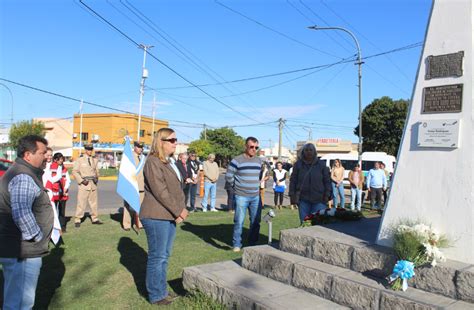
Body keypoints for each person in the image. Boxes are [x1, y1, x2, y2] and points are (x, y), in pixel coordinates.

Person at [0, 135, 54, 309]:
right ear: (28, 155)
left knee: (15, 299)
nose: (46, 156)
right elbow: (22, 213)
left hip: (20, 249)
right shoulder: (23, 176)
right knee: (20, 303)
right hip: (23, 252)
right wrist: (37, 237)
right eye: (42, 152)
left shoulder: (24, 172)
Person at [139, 128, 188, 305]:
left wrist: (180, 208)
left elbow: (175, 189)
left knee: (164, 256)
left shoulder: (167, 162)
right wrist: (179, 211)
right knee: (157, 256)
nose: (176, 143)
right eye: (172, 140)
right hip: (155, 215)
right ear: (161, 142)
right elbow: (161, 192)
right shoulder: (152, 161)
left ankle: (161, 291)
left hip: (166, 215)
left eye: (176, 139)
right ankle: (156, 295)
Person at [226, 137, 263, 252]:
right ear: (245, 147)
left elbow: (259, 175)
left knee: (256, 221)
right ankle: (237, 244)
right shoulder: (237, 160)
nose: (254, 149)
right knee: (239, 221)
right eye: (251, 147)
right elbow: (229, 176)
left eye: (256, 147)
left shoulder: (259, 161)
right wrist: (236, 187)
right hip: (241, 195)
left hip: (256, 196)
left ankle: (252, 243)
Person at [289, 143, 331, 223]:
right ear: (303, 152)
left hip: (319, 199)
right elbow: (293, 181)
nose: (309, 152)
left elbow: (327, 181)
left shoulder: (321, 164)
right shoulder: (298, 165)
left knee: (318, 224)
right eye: (306, 150)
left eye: (311, 150)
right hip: (303, 200)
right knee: (305, 223)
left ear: (314, 152)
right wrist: (292, 195)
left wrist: (327, 195)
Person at [72, 144, 102, 227]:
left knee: (94, 203)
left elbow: (96, 171)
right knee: (81, 203)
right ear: (85, 150)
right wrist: (81, 180)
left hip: (93, 183)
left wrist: (97, 177)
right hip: (84, 184)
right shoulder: (80, 160)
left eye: (91, 150)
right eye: (88, 150)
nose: (90, 151)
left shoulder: (95, 160)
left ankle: (94, 218)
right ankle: (78, 219)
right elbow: (74, 171)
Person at [122, 141, 145, 231]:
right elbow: (125, 171)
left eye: (141, 147)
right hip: (131, 185)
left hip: (141, 186)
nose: (140, 149)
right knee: (128, 206)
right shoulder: (129, 157)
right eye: (139, 147)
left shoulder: (142, 158)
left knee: (140, 206)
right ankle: (126, 224)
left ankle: (139, 223)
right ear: (134, 147)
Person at [48, 152, 71, 231]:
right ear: (55, 160)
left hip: (63, 193)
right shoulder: (50, 168)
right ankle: (53, 226)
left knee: (62, 211)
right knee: (53, 211)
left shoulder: (64, 168)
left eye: (62, 159)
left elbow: (68, 179)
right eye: (60, 159)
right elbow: (51, 180)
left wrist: (66, 187)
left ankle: (62, 227)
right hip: (54, 193)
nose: (61, 160)